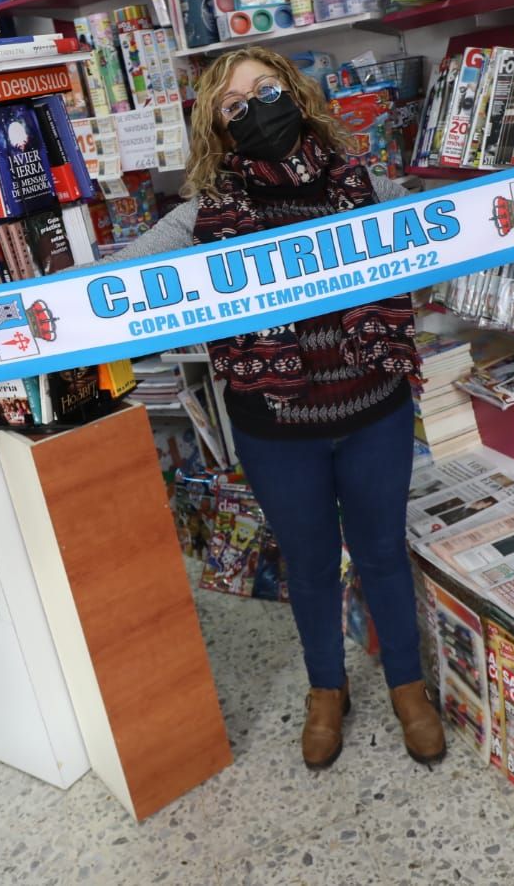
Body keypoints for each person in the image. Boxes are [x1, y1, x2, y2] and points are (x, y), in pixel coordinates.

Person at [101, 46, 444, 770]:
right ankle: (328, 690)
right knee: (312, 565)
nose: (256, 107)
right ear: (218, 130)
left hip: (373, 412)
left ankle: (408, 686)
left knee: (383, 552)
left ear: (295, 93)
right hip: (276, 433)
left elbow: (450, 228)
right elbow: (112, 286)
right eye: (234, 104)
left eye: (266, 89)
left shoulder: (366, 186)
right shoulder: (202, 218)